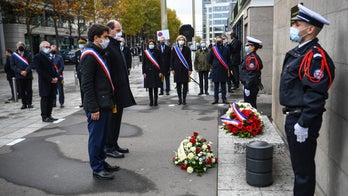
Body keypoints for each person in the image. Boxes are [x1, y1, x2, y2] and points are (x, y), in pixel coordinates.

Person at [279, 4, 335, 196]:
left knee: (303, 172)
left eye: (297, 23)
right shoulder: (301, 52)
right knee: (299, 168)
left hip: (302, 120)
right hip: (295, 118)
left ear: (309, 29)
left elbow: (315, 94)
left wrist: (304, 123)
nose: (293, 27)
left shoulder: (314, 56)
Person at [80, 24, 120, 180]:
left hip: (105, 102)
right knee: (96, 138)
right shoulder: (89, 55)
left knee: (103, 137)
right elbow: (87, 84)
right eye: (104, 37)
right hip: (97, 105)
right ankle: (96, 167)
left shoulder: (99, 52)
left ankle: (102, 162)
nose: (106, 40)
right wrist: (93, 108)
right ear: (95, 38)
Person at [105, 20, 136, 158]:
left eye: (120, 30)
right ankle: (109, 147)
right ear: (109, 30)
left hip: (120, 90)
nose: (120, 32)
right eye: (117, 30)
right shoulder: (108, 47)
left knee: (117, 120)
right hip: (114, 91)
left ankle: (114, 143)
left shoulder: (116, 45)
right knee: (112, 120)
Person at [33, 41, 58, 123]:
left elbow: (53, 68)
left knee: (51, 99)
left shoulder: (49, 56)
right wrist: (50, 79)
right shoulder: (38, 57)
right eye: (46, 47)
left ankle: (49, 115)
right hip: (45, 82)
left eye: (49, 47)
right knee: (45, 99)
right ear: (41, 48)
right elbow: (40, 71)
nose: (48, 48)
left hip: (52, 82)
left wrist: (56, 77)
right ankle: (44, 116)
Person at [239, 36, 263, 109]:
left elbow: (251, 74)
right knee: (250, 105)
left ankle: (251, 120)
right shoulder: (250, 56)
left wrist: (247, 87)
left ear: (253, 47)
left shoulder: (252, 58)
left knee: (250, 106)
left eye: (248, 45)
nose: (246, 47)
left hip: (251, 86)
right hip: (251, 85)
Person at [10, 41, 33, 109]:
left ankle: (29, 103)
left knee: (29, 90)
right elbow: (13, 65)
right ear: (16, 47)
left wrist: (26, 71)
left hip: (28, 75)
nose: (20, 46)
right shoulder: (14, 55)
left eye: (22, 45)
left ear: (24, 47)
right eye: (19, 45)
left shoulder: (28, 54)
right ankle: (24, 104)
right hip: (19, 75)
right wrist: (20, 71)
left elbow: (31, 63)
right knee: (21, 90)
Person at [170, 35, 192, 105]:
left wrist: (190, 69)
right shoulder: (174, 49)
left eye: (182, 39)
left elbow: (189, 60)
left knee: (185, 85)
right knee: (178, 85)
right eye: (180, 39)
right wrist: (172, 68)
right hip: (177, 69)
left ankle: (184, 99)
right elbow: (172, 59)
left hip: (185, 69)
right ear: (177, 41)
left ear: (184, 41)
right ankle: (180, 99)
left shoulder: (187, 49)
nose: (181, 41)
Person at [209, 36, 230, 104]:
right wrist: (213, 65)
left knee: (223, 85)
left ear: (222, 41)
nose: (219, 42)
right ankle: (216, 99)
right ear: (216, 41)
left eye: (220, 41)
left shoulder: (226, 49)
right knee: (216, 85)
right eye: (218, 41)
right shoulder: (213, 49)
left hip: (224, 69)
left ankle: (224, 99)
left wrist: (229, 68)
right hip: (216, 69)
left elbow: (228, 59)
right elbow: (210, 59)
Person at [142, 39, 163, 106]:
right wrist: (144, 72)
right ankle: (151, 101)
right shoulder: (145, 52)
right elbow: (143, 63)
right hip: (148, 71)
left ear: (154, 45)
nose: (151, 45)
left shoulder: (158, 52)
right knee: (150, 87)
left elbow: (161, 62)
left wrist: (160, 72)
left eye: (152, 44)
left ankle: (155, 101)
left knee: (156, 87)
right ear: (148, 45)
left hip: (156, 71)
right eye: (150, 44)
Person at [75, 38, 87, 108]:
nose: (80, 45)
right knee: (81, 88)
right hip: (80, 73)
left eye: (82, 44)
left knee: (86, 87)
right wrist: (77, 72)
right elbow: (76, 64)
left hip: (85, 72)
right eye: (79, 44)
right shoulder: (77, 53)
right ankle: (83, 102)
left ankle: (86, 101)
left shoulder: (87, 52)